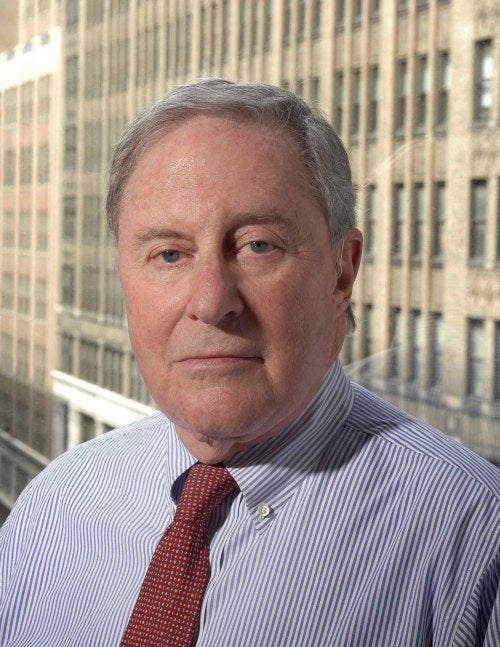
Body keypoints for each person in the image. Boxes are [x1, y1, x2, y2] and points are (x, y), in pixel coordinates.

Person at [0, 79, 498, 646]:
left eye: (258, 245)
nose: (212, 302)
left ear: (342, 271)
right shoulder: (54, 508)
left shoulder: (475, 543)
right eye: (168, 254)